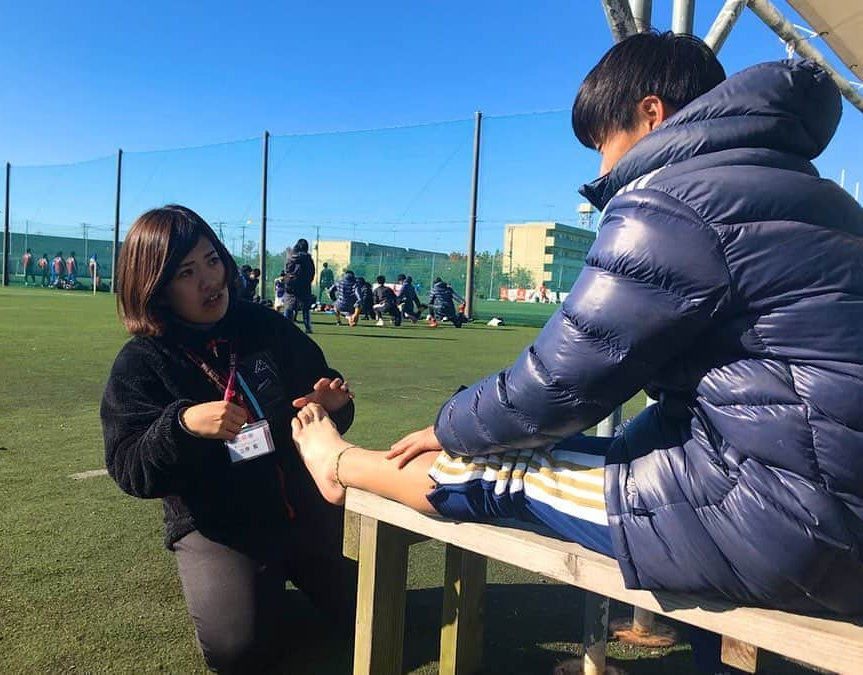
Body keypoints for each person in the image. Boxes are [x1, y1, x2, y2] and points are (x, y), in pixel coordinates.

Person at [290, 33, 863, 672]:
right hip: (831, 503)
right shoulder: (820, 197)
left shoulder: (675, 196)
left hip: (781, 520)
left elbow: (559, 382)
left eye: (600, 142)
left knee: (493, 470)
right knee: (601, 454)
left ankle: (338, 463)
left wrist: (451, 428)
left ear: (651, 114)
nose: (598, 169)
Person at [100, 205, 358, 673]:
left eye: (212, 260)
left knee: (370, 615)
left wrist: (332, 404)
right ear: (155, 286)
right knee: (239, 650)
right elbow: (127, 466)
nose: (209, 281)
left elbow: (325, 388)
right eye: (187, 272)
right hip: (221, 525)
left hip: (303, 504)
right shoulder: (142, 361)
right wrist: (181, 426)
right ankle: (260, 596)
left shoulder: (265, 325)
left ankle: (286, 585)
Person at [283, 239, 315, 334]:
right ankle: (308, 327)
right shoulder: (308, 259)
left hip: (291, 286)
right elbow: (312, 273)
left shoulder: (291, 257)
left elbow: (287, 269)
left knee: (288, 307)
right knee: (305, 309)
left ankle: (284, 326)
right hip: (304, 286)